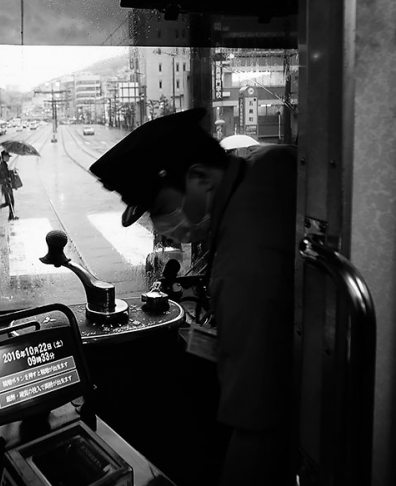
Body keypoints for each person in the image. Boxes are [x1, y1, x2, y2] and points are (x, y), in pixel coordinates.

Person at [89, 108, 296, 486]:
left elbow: (258, 426)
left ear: (200, 176)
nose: (160, 224)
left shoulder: (245, 261)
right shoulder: (264, 163)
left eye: (160, 209)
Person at [0, 150, 18, 220]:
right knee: (10, 201)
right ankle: (9, 216)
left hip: (6, 185)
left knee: (9, 202)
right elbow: (4, 176)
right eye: (7, 157)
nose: (9, 158)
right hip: (5, 186)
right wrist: (8, 179)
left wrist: (11, 171)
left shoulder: (4, 164)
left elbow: (6, 173)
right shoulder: (2, 165)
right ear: (4, 157)